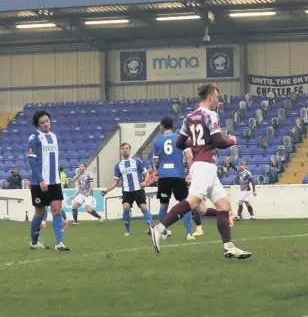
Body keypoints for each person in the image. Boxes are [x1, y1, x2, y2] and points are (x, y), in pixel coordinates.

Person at [150, 83, 251, 259]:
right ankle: (159, 228)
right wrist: (232, 141)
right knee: (193, 201)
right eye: (217, 97)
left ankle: (229, 246)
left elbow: (180, 143)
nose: (218, 100)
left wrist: (197, 143)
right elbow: (219, 141)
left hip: (205, 166)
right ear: (210, 97)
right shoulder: (210, 115)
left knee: (224, 206)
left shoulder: (188, 117)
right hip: (204, 166)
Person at [27, 110, 69, 251]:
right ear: (37, 125)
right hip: (39, 183)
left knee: (57, 210)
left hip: (55, 182)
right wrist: (40, 180)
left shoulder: (54, 136)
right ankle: (34, 242)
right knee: (40, 212)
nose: (46, 124)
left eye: (47, 121)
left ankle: (59, 243)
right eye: (42, 122)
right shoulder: (34, 138)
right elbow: (32, 162)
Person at [152, 117, 194, 241]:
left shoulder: (157, 141)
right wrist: (189, 172)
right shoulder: (181, 138)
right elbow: (189, 156)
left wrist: (161, 169)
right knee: (185, 204)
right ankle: (189, 233)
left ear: (162, 126)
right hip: (179, 175)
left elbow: (156, 161)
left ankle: (162, 232)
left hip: (164, 177)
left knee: (164, 205)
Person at [101, 143, 152, 236]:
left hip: (138, 190)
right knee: (126, 208)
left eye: (127, 148)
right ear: (120, 151)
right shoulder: (118, 165)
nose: (125, 150)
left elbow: (147, 173)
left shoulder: (137, 161)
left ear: (130, 150)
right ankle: (128, 230)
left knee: (143, 208)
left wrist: (145, 182)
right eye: (123, 148)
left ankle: (151, 228)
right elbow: (115, 181)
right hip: (127, 191)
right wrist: (107, 190)